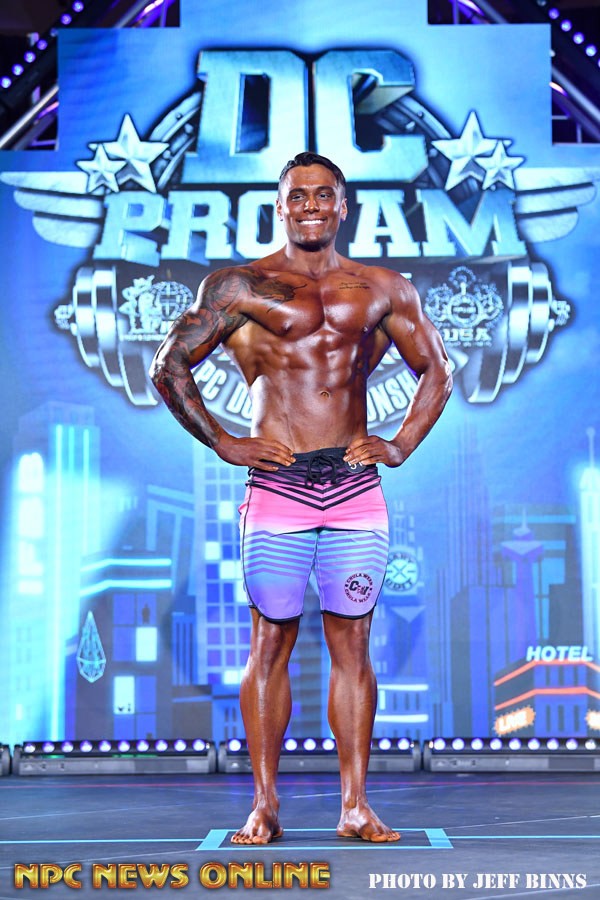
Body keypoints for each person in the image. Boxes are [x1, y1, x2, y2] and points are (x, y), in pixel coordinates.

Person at [149, 151, 452, 845]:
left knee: (354, 644)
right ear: (279, 207)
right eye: (297, 196)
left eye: (323, 195)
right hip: (278, 489)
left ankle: (355, 806)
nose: (310, 205)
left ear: (343, 206)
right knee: (269, 642)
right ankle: (264, 805)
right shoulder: (239, 285)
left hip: (353, 488)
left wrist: (401, 444)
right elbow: (169, 366)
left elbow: (437, 369)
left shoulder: (384, 287)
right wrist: (223, 442)